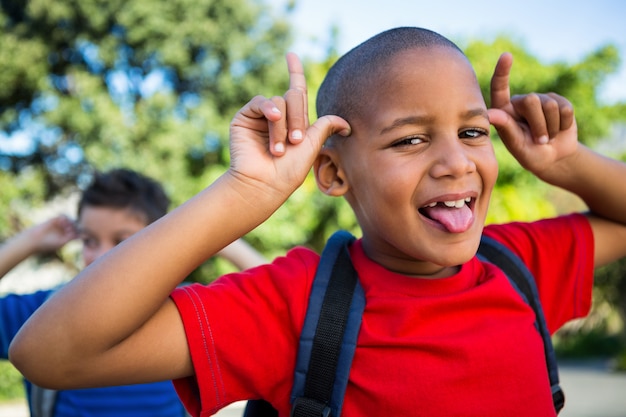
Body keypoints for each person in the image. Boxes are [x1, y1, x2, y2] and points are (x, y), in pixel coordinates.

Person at [8, 27, 626, 417]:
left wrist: (569, 163)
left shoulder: (519, 262)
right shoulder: (294, 304)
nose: (456, 161)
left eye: (471, 131)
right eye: (410, 141)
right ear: (332, 174)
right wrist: (244, 193)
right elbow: (50, 355)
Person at [0, 168, 265, 417]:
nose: (102, 256)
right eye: (89, 240)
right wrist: (29, 241)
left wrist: (206, 232)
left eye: (122, 242)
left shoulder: (186, 311)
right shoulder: (42, 313)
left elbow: (282, 310)